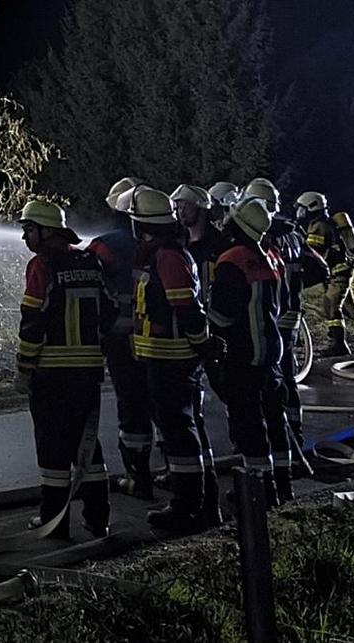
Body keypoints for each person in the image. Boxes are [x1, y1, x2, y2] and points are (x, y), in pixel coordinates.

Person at [15, 199, 113, 539]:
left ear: (46, 231)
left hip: (52, 372)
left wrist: (25, 367)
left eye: (29, 229)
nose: (25, 236)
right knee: (87, 445)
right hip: (87, 371)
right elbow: (111, 313)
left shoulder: (41, 265)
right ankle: (99, 518)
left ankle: (53, 522)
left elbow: (33, 321)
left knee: (53, 448)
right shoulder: (91, 262)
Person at [129, 186, 220, 533]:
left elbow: (187, 308)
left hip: (173, 361)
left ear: (142, 225)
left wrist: (201, 345)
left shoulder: (167, 256)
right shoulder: (162, 254)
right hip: (165, 358)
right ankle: (204, 504)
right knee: (187, 432)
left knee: (181, 435)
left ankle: (187, 508)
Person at [204, 199, 289, 510]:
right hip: (271, 355)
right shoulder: (271, 258)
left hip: (243, 358)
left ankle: (258, 493)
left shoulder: (232, 260)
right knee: (273, 421)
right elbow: (282, 304)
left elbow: (222, 315)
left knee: (249, 428)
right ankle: (281, 484)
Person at [256, 181, 327, 498]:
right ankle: (294, 439)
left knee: (273, 382)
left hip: (270, 317)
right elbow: (320, 269)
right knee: (287, 380)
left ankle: (279, 458)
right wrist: (295, 291)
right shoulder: (294, 233)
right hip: (291, 317)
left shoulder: (266, 234)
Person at [86, 176, 153, 497]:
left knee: (132, 406)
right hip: (159, 342)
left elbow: (91, 295)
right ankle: (173, 473)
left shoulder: (104, 245)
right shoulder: (161, 243)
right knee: (165, 407)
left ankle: (138, 477)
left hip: (121, 340)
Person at [170, 183, 224, 518]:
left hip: (216, 331)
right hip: (193, 334)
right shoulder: (179, 244)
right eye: (176, 206)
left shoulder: (218, 245)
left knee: (235, 398)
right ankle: (202, 487)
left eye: (184, 205)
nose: (179, 211)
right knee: (195, 412)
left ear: (201, 207)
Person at [301, 192, 354, 355]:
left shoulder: (319, 226)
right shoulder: (326, 223)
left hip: (337, 274)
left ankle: (338, 344)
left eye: (302, 209)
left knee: (331, 306)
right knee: (350, 308)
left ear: (311, 207)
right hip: (343, 271)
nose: (300, 213)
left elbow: (313, 253)